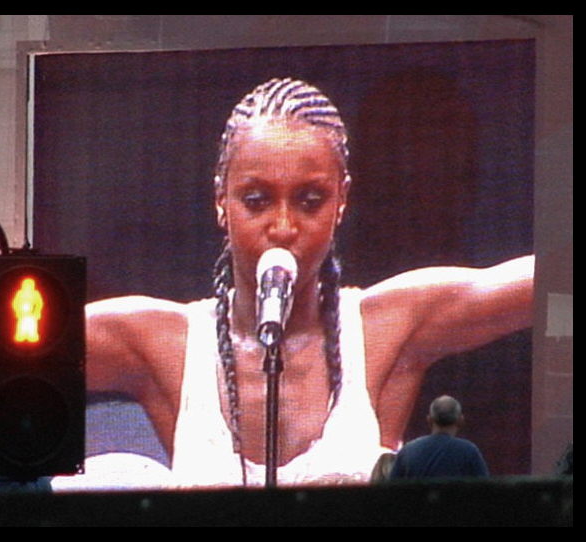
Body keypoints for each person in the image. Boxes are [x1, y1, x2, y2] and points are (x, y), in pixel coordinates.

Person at [56, 77, 533, 490]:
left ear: (342, 200)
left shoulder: (386, 326)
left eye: (309, 200)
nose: (283, 227)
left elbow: (540, 285)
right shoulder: (164, 341)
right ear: (221, 199)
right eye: (257, 199)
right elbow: (8, 341)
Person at [388, 395, 489, 479]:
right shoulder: (469, 451)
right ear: (460, 420)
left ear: (429, 420)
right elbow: (485, 491)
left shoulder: (408, 451)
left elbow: (391, 492)